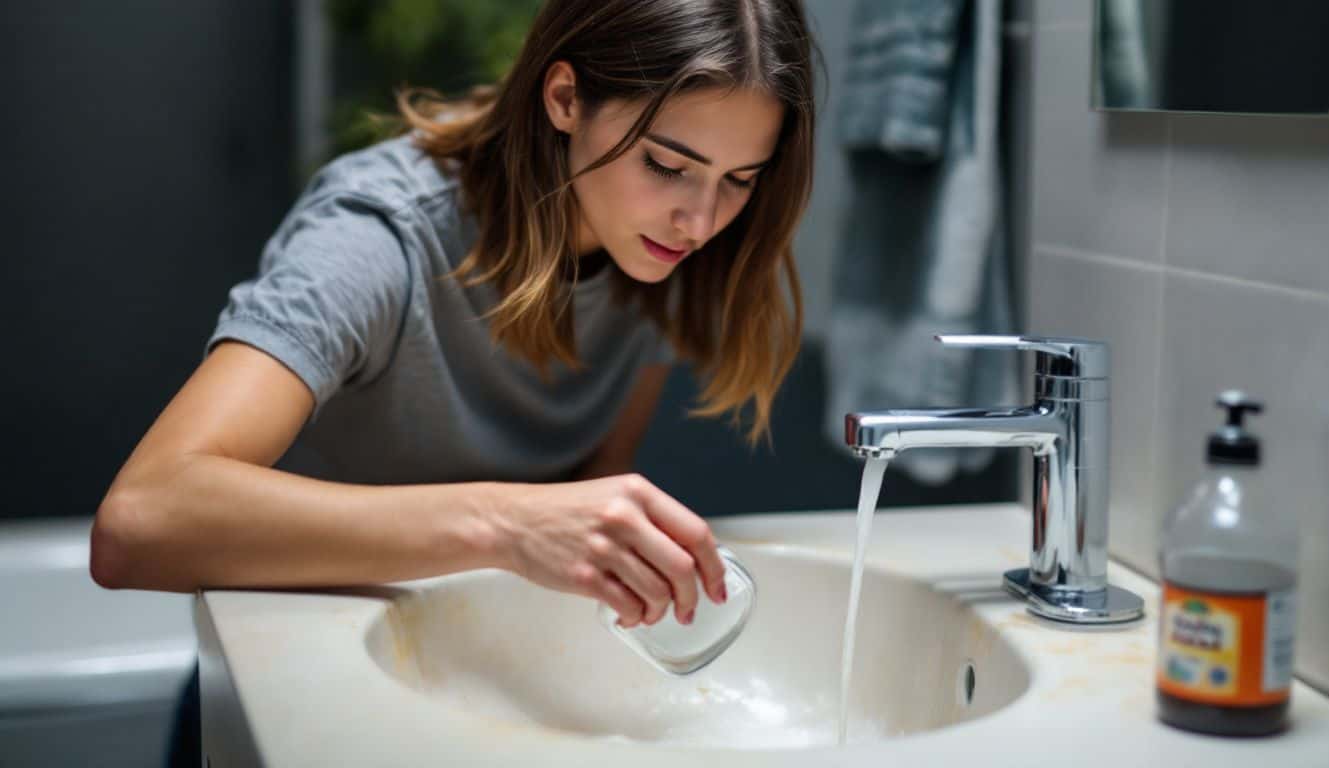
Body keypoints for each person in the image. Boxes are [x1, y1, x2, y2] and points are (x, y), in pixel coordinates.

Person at [90, 0, 815, 758]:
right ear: (565, 99)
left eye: (740, 180)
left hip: (466, 682)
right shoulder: (376, 240)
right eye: (667, 165)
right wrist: (506, 525)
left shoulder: (663, 251)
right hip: (282, 694)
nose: (698, 220)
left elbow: (594, 474)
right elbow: (140, 521)